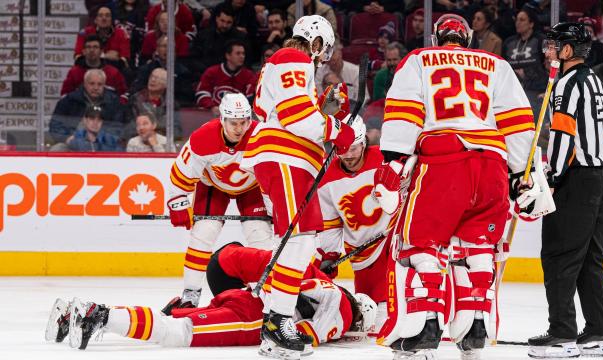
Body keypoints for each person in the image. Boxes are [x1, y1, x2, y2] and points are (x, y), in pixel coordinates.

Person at [372, 14, 535, 360]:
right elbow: (518, 120)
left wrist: (394, 159)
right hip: (492, 163)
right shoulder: (496, 64)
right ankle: (476, 326)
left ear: (437, 37)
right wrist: (521, 173)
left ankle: (424, 325)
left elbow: (404, 110)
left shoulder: (419, 59)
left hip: (444, 161)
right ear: (466, 38)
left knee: (421, 244)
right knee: (477, 248)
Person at [240, 14, 355, 358]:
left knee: (293, 242)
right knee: (300, 240)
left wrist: (326, 109)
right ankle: (278, 320)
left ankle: (273, 327)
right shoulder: (294, 58)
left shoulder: (289, 64)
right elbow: (294, 115)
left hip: (289, 159)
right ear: (316, 41)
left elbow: (284, 109)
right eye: (324, 49)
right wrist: (334, 127)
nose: (323, 57)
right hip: (285, 158)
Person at [46, 244, 377, 353]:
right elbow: (303, 338)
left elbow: (293, 276)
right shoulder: (344, 313)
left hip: (244, 295)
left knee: (176, 323)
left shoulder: (324, 283)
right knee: (178, 333)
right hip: (251, 316)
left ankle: (74, 318)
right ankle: (99, 315)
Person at [528, 22, 603, 359]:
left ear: (568, 50)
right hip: (601, 176)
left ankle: (562, 334)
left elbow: (564, 134)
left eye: (553, 45)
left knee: (559, 255)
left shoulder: (566, 83)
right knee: (590, 258)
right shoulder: (596, 80)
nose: (548, 50)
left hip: (575, 178)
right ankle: (597, 331)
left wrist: (551, 175)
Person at [165, 93, 272, 312]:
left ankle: (267, 294)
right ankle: (190, 295)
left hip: (252, 187)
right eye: (234, 123)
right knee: (204, 233)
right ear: (222, 119)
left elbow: (272, 175)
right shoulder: (203, 137)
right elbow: (182, 172)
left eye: (244, 122)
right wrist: (178, 201)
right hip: (213, 185)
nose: (239, 128)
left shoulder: (260, 136)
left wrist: (277, 210)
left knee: (260, 236)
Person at [316, 115, 391, 330]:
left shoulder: (384, 158)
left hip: (391, 237)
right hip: (361, 251)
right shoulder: (325, 176)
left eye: (354, 148)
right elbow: (330, 223)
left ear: (364, 142)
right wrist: (329, 256)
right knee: (369, 312)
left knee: (390, 306)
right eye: (341, 149)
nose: (348, 155)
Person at [49, 69, 125, 148]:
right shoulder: (70, 100)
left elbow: (118, 127)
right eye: (92, 84)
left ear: (104, 85)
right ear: (85, 84)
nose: (96, 87)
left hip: (104, 144)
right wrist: (66, 138)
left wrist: (102, 139)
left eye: (100, 84)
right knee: (58, 148)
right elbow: (55, 125)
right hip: (73, 142)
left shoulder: (113, 102)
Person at [195, 40, 257, 115]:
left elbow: (251, 98)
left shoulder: (249, 75)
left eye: (243, 53)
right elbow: (202, 93)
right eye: (238, 53)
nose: (242, 56)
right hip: (213, 116)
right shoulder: (212, 72)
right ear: (228, 56)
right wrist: (212, 107)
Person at [62, 35, 127, 99]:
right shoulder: (74, 73)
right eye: (88, 47)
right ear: (83, 51)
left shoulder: (113, 73)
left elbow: (123, 96)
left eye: (95, 47)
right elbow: (65, 96)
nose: (92, 50)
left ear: (101, 51)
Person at [502, 8, 547, 100]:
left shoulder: (540, 40)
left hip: (536, 89)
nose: (518, 23)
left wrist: (526, 73)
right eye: (517, 20)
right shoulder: (508, 42)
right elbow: (503, 66)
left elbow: (547, 66)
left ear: (531, 24)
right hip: (512, 89)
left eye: (522, 20)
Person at [190, 4, 249, 72]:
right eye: (222, 21)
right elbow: (194, 59)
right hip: (205, 73)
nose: (224, 25)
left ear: (233, 21)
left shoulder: (240, 38)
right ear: (216, 19)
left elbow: (246, 61)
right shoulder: (203, 35)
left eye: (229, 22)